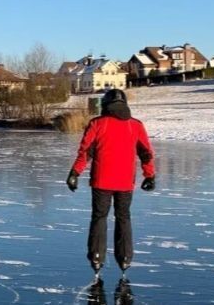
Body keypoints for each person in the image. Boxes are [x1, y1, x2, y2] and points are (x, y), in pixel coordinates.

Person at [67, 88, 156, 276]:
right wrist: (149, 175)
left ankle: (97, 257)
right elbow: (146, 153)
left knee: (99, 217)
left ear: (105, 105)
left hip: (102, 181)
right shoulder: (136, 125)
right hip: (125, 182)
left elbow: (85, 152)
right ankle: (125, 258)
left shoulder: (97, 124)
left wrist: (75, 172)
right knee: (123, 217)